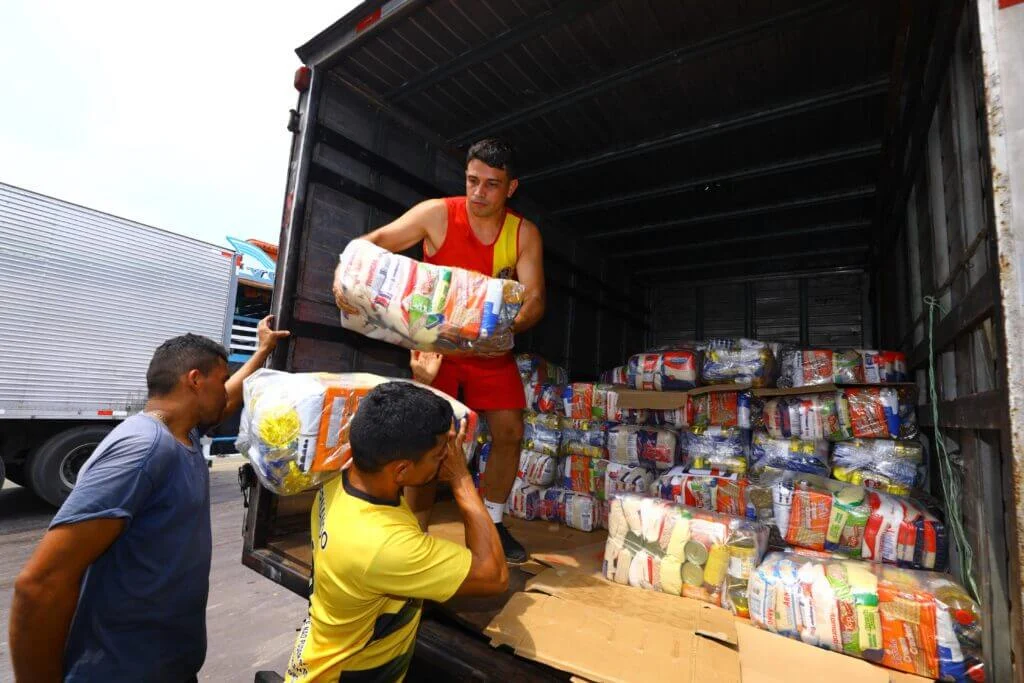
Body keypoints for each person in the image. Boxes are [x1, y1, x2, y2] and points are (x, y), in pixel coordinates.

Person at [9, 317, 290, 683]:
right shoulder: (142, 450)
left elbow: (225, 401)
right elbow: (39, 585)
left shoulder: (181, 435)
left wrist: (262, 352)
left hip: (166, 667)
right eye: (220, 381)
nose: (227, 393)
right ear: (194, 380)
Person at [359, 138, 545, 563]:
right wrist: (353, 272)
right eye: (472, 181)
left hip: (487, 349)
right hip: (435, 350)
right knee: (426, 439)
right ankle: (411, 532)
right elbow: (380, 240)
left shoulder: (523, 233)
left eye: (492, 185)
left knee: (510, 432)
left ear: (511, 188)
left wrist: (499, 331)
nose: (479, 193)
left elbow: (534, 299)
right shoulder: (437, 213)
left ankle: (492, 522)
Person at [284, 382, 507, 682]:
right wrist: (461, 479)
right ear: (401, 470)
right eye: (439, 454)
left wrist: (421, 383)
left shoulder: (341, 483)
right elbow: (493, 575)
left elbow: (400, 431)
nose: (446, 457)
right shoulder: (381, 545)